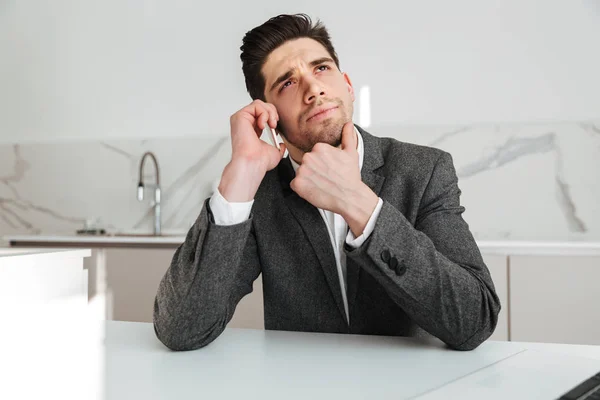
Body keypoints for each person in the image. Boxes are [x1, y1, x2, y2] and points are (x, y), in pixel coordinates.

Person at [153, 13, 500, 351]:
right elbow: (181, 330)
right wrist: (239, 176)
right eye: (287, 82)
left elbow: (474, 321)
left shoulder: (424, 170)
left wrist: (357, 203)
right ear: (269, 117)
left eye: (321, 68)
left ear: (348, 87)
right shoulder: (260, 192)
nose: (313, 88)